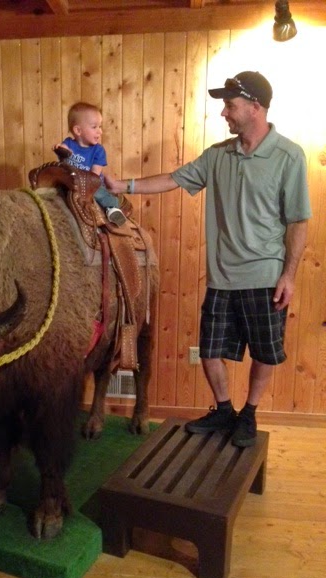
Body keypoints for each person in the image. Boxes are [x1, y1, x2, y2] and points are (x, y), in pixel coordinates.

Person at [105, 71, 311, 447]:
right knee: (211, 350)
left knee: (265, 351)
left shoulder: (288, 155)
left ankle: (248, 414)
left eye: (230, 106)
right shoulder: (218, 155)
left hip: (266, 275)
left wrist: (289, 275)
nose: (224, 113)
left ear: (255, 107)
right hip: (222, 277)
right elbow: (173, 178)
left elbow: (298, 220)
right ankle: (224, 410)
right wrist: (124, 186)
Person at [53, 101, 126, 226]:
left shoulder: (98, 151)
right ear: (78, 130)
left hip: (90, 183)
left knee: (99, 194)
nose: (100, 131)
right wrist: (59, 149)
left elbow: (95, 174)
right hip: (70, 180)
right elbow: (64, 149)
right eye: (94, 127)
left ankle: (112, 208)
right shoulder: (69, 143)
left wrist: (85, 183)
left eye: (100, 126)